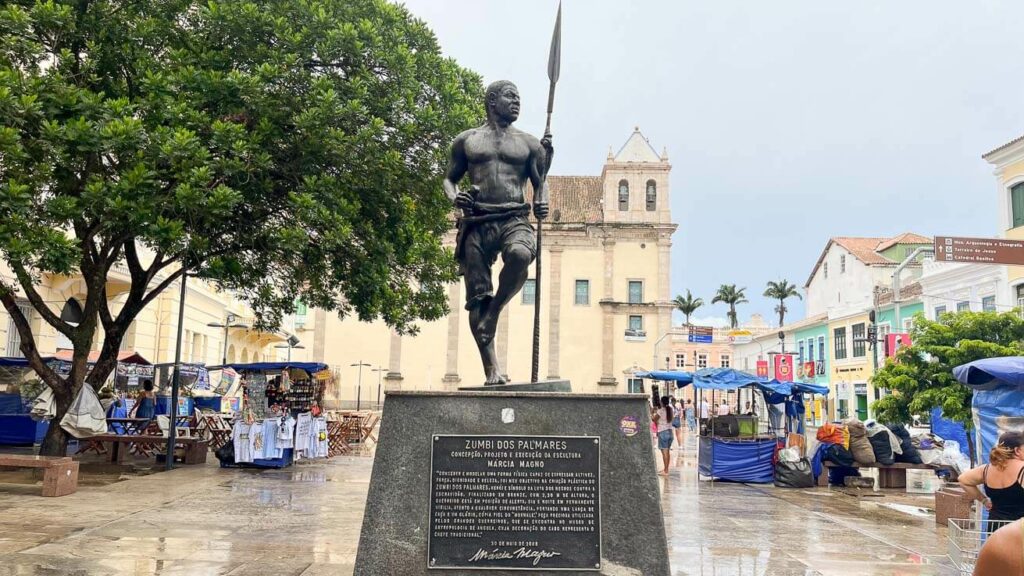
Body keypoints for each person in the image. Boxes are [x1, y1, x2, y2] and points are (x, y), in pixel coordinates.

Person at [444, 80, 551, 385]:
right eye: (510, 97)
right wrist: (455, 198)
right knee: (477, 298)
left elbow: (540, 182)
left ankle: (495, 310)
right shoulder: (467, 141)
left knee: (520, 254)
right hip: (477, 222)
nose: (517, 102)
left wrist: (541, 201)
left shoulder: (530, 143)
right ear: (492, 101)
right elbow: (449, 180)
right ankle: (492, 369)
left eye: (519, 97)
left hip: (513, 217)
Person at [960, 431, 1024, 528]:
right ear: (1017, 450)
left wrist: (984, 500)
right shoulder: (1022, 468)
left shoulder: (986, 469)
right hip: (1019, 530)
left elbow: (963, 479)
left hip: (995, 528)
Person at [652, 395, 674, 476]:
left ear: (661, 402)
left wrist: (652, 413)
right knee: (667, 451)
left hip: (663, 432)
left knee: (664, 452)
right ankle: (666, 469)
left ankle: (666, 471)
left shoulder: (661, 410)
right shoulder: (670, 409)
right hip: (670, 432)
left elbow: (654, 419)